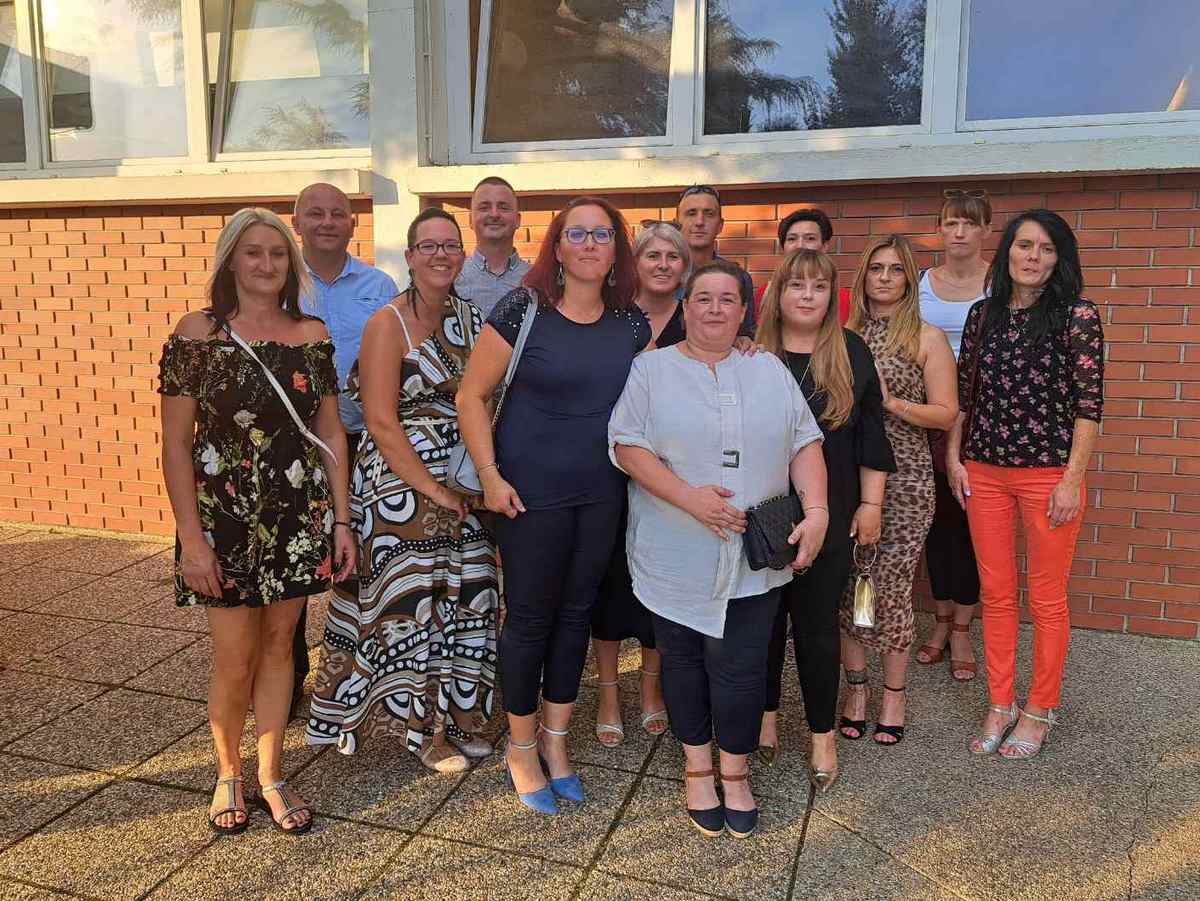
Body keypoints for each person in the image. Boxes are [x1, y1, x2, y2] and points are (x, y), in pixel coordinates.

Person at [610, 260, 828, 838]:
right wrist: (691, 499)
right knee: (682, 661)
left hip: (754, 557)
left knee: (742, 668)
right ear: (685, 308)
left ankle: (735, 770)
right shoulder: (651, 369)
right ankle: (697, 768)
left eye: (727, 299)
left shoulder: (768, 369)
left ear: (743, 311)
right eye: (702, 297)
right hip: (675, 550)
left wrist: (819, 512)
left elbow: (805, 442)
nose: (714, 308)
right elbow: (627, 446)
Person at [158, 207, 356, 836]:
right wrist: (192, 541)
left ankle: (270, 774)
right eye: (253, 252)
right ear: (231, 262)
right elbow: (175, 444)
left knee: (280, 649)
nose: (266, 264)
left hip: (298, 514)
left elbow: (330, 432)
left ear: (290, 265)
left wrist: (342, 521)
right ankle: (228, 773)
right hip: (223, 519)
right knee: (234, 657)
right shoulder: (198, 333)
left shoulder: (311, 333)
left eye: (277, 254)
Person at [456, 196, 651, 815]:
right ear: (558, 247)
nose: (590, 244)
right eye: (578, 233)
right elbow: (471, 396)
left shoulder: (632, 324)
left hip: (602, 494)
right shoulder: (524, 309)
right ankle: (520, 747)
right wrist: (490, 477)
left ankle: (556, 741)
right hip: (526, 496)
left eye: (603, 234)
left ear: (616, 249)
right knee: (530, 619)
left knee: (576, 616)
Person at [307, 209, 500, 772]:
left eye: (450, 245)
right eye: (428, 246)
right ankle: (422, 732)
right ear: (410, 256)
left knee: (469, 599)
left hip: (465, 477)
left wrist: (479, 473)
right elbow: (380, 421)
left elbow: (488, 396)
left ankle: (462, 716)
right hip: (400, 484)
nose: (440, 254)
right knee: (410, 608)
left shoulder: (473, 318)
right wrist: (433, 490)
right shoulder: (385, 323)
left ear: (462, 255)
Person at [951, 209, 1103, 759]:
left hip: (1048, 476)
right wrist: (954, 457)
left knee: (1046, 597)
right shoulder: (982, 314)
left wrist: (1072, 480)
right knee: (995, 593)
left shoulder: (1077, 316)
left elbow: (1089, 407)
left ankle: (1040, 708)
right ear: (1007, 252)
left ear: (1060, 259)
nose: (1033, 257)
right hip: (984, 473)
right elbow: (965, 396)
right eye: (1023, 245)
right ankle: (1000, 702)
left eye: (1046, 248)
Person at [755, 249, 896, 790]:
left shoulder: (851, 352)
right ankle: (765, 718)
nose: (807, 295)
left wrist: (871, 504)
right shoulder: (753, 354)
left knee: (816, 628)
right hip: (765, 513)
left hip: (832, 509)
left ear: (831, 296)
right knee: (765, 624)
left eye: (818, 286)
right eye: (797, 285)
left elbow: (871, 436)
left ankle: (821, 736)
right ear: (778, 293)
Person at [839, 235, 958, 746]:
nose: (884, 278)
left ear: (909, 278)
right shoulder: (844, 335)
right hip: (848, 476)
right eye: (876, 268)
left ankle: (894, 693)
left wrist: (892, 403)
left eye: (895, 269)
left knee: (889, 586)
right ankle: (856, 688)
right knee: (850, 587)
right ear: (863, 277)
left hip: (907, 479)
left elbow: (946, 413)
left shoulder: (926, 337)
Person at [291, 182, 399, 712]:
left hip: (360, 438)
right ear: (296, 223)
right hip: (294, 444)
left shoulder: (379, 285)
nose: (328, 222)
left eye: (338, 213)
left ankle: (357, 678)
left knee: (359, 555)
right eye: (316, 213)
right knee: (292, 563)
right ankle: (288, 679)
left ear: (354, 224)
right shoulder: (281, 283)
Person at [590, 222, 690, 747]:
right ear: (636, 262)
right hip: (610, 466)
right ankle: (608, 692)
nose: (663, 264)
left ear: (684, 266)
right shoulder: (611, 316)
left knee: (658, 579)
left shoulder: (696, 318)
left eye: (673, 256)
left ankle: (652, 688)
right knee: (610, 581)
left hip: (672, 472)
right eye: (653, 254)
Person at [915, 189, 992, 683]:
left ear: (986, 230)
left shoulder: (1000, 282)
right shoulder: (922, 283)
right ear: (940, 229)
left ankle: (963, 626)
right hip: (927, 418)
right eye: (950, 223)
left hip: (983, 422)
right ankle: (941, 621)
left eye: (969, 223)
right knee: (937, 522)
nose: (959, 232)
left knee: (971, 522)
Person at [675, 185, 756, 332]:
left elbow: (746, 334)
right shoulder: (664, 274)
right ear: (677, 224)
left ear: (720, 225)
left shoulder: (739, 277)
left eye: (709, 214)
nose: (699, 222)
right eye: (691, 213)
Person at [752, 209, 851, 324]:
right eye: (792, 239)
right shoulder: (765, 293)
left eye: (810, 238)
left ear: (825, 246)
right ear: (783, 247)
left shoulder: (845, 298)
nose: (800, 245)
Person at [455, 176, 531, 317]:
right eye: (484, 208)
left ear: (518, 220)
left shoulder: (536, 280)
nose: (494, 214)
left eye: (503, 207)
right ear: (470, 220)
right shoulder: (453, 278)